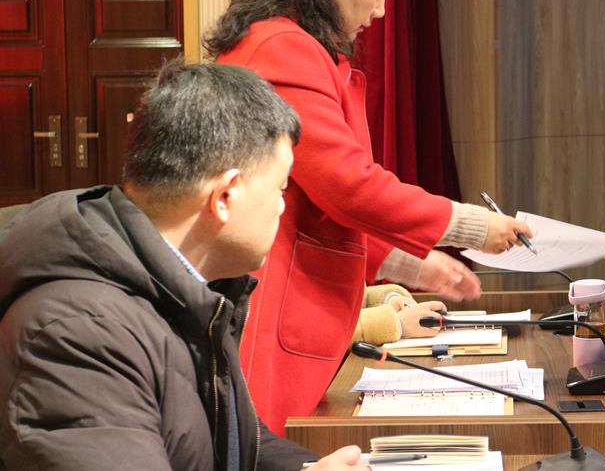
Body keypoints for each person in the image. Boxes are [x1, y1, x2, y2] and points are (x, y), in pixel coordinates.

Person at [206, 0, 533, 433]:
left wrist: (415, 265)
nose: (380, 11)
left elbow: (325, 206)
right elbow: (345, 187)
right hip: (274, 294)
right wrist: (472, 226)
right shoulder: (283, 48)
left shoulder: (291, 42)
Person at [0, 60, 365, 470]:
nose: (282, 207)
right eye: (281, 188)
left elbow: (224, 439)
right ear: (224, 196)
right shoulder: (80, 331)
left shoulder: (182, 287)